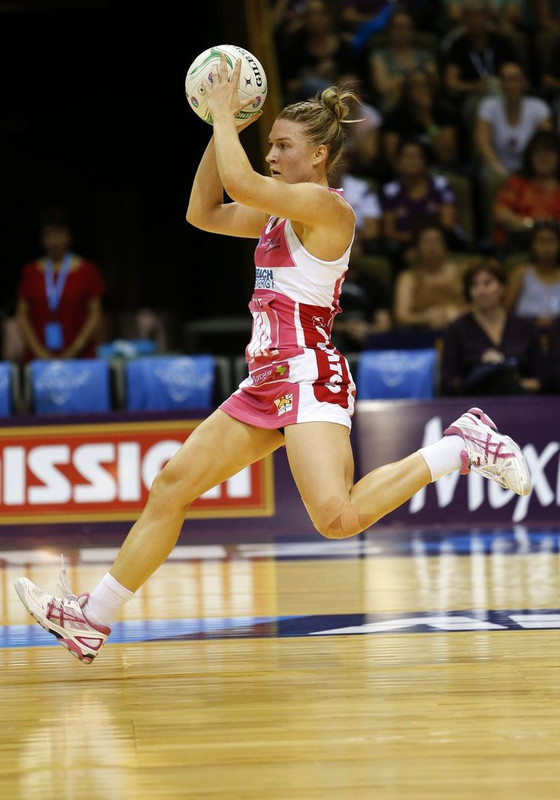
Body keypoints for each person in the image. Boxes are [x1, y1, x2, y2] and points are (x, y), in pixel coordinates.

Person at [13, 60, 531, 664]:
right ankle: (91, 618)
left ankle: (462, 446)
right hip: (266, 382)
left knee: (336, 518)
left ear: (318, 156)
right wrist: (217, 124)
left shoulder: (326, 209)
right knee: (172, 486)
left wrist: (229, 119)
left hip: (310, 375)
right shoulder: (279, 214)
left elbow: (238, 185)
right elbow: (203, 211)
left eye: (284, 145)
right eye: (271, 144)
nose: (274, 154)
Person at [440, 258, 544, 395]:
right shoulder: (456, 329)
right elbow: (449, 381)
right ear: (468, 292)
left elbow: (542, 378)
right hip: (474, 404)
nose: (481, 290)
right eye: (474, 285)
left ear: (502, 287)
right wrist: (482, 367)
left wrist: (514, 380)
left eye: (487, 283)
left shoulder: (525, 326)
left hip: (521, 402)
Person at [15, 207, 106, 362]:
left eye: (59, 235)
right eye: (49, 236)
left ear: (69, 237)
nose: (54, 241)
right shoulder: (31, 271)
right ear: (42, 239)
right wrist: (39, 352)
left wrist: (75, 349)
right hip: (38, 357)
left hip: (80, 356)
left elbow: (95, 314)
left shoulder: (87, 270)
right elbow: (22, 316)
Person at [392, 221, 469, 331]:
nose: (431, 247)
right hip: (422, 335)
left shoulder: (463, 271)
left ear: (445, 245)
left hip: (464, 331)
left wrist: (457, 314)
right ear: (417, 248)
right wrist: (425, 318)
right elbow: (401, 316)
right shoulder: (408, 277)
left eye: (436, 241)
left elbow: (480, 306)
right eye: (426, 242)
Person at [492, 129, 560, 253]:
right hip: (519, 245)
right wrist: (530, 225)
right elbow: (500, 213)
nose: (543, 157)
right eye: (537, 152)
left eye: (549, 151)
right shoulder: (516, 183)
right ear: (530, 157)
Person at [504, 218, 560, 328]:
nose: (546, 247)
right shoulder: (520, 273)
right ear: (532, 245)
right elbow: (505, 310)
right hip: (524, 336)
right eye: (541, 241)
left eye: (551, 241)